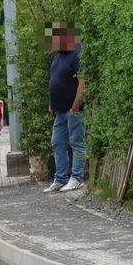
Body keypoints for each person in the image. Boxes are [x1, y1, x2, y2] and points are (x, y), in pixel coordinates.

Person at [44, 22, 87, 193]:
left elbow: (83, 82)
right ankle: (60, 178)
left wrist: (76, 105)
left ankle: (77, 177)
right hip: (59, 110)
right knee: (57, 143)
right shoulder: (58, 56)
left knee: (77, 142)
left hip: (73, 109)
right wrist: (51, 103)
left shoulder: (77, 53)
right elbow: (54, 80)